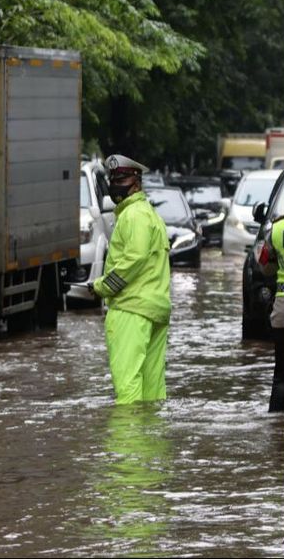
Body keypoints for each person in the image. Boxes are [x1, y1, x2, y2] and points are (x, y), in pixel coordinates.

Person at [90, 154, 172, 405]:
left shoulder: (133, 215)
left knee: (128, 387)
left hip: (130, 309)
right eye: (114, 179)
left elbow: (133, 260)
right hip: (154, 309)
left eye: (122, 179)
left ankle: (128, 442)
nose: (116, 184)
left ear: (136, 182)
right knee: (152, 389)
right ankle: (150, 441)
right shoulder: (149, 214)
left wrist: (101, 287)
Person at [261, 213, 284, 412]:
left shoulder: (276, 230)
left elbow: (265, 267)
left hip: (283, 313)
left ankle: (276, 426)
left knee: (281, 375)